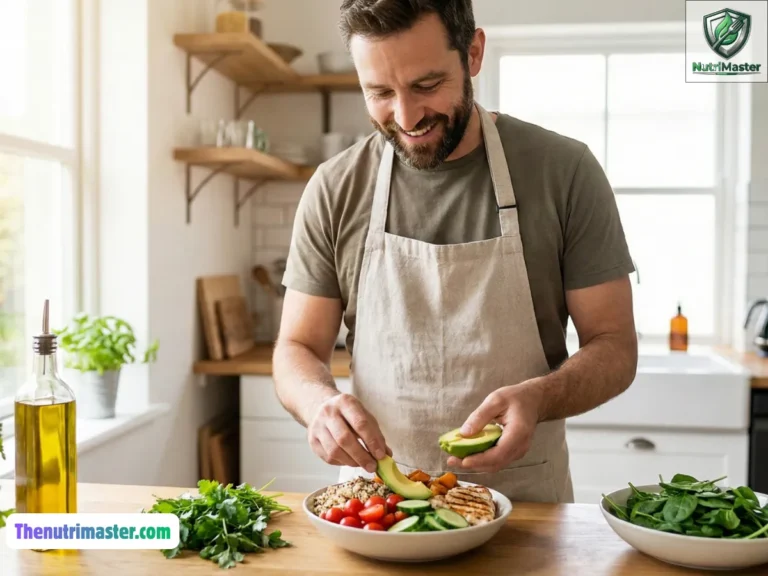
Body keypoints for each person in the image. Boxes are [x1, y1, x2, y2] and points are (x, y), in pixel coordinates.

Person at [272, 0, 638, 503]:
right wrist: (319, 404)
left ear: (474, 53)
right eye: (379, 92)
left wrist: (540, 397)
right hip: (377, 508)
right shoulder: (336, 187)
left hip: (527, 507)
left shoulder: (564, 171)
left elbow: (615, 345)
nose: (406, 115)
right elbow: (296, 348)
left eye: (426, 85)